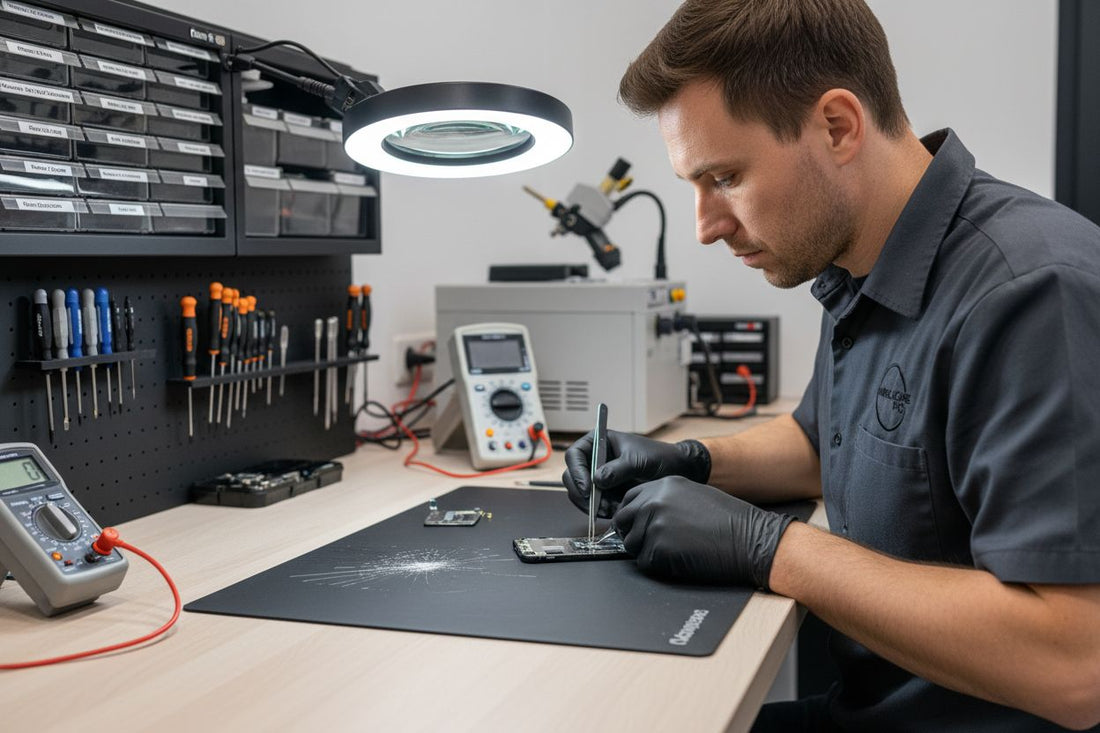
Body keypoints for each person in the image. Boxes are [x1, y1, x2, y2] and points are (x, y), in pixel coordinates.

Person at [560, 1, 1100, 730]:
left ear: (837, 126)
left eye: (724, 177)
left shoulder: (1028, 294)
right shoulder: (860, 262)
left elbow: (1074, 662)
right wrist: (687, 460)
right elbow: (825, 444)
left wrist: (767, 546)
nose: (705, 226)